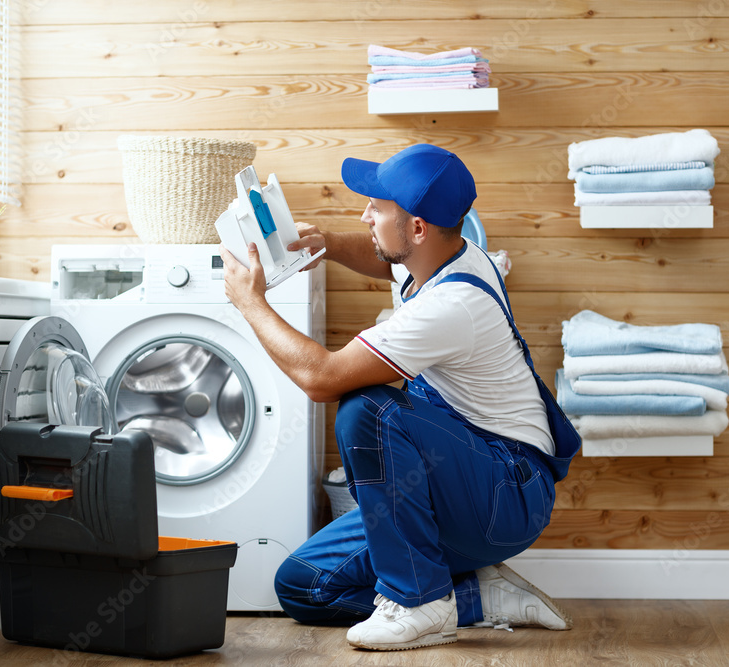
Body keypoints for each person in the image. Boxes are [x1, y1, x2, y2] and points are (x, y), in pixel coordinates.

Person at [220, 143, 581, 651]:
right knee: (305, 586)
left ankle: (421, 603)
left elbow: (321, 378)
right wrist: (326, 245)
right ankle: (474, 596)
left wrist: (250, 303)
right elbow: (380, 254)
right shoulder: (442, 254)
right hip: (466, 480)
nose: (365, 214)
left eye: (378, 207)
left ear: (416, 229)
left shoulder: (450, 304)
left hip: (506, 493)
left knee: (365, 408)